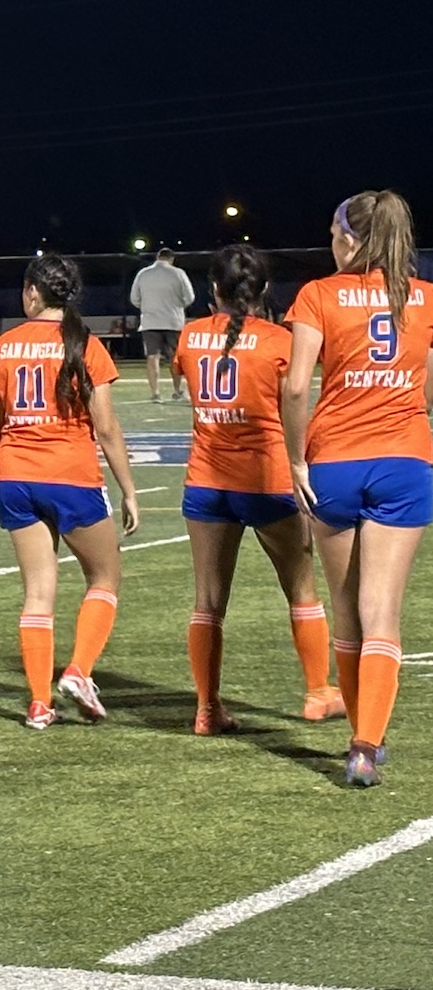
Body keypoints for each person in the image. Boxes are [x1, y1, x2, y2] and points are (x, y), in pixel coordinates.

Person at [283, 190, 431, 787]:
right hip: (404, 460)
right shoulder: (423, 298)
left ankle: (359, 733)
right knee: (383, 614)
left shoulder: (317, 295)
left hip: (335, 462)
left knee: (347, 613)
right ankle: (366, 745)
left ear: (351, 239)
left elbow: (296, 388)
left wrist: (295, 461)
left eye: (332, 233)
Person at [176, 245, 343, 735]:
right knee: (301, 589)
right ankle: (317, 691)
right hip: (267, 478)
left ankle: (207, 708)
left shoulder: (189, 337)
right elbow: (292, 403)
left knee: (208, 602)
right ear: (264, 290)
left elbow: (192, 387)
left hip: (207, 481)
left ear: (213, 289)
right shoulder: (279, 341)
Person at [0, 254, 139, 729]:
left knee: (37, 593)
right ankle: (78, 670)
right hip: (70, 475)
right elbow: (106, 429)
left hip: (17, 476)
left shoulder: (0, 347)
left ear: (32, 291)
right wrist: (129, 489)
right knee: (105, 578)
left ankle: (37, 702)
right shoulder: (86, 346)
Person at [130, 248, 194, 403]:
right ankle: (178, 390)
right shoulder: (178, 273)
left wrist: (147, 307)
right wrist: (178, 306)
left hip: (150, 321)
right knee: (174, 358)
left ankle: (155, 393)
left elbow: (134, 298)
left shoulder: (143, 274)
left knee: (152, 357)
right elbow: (190, 297)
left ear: (157, 257)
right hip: (173, 321)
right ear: (171, 259)